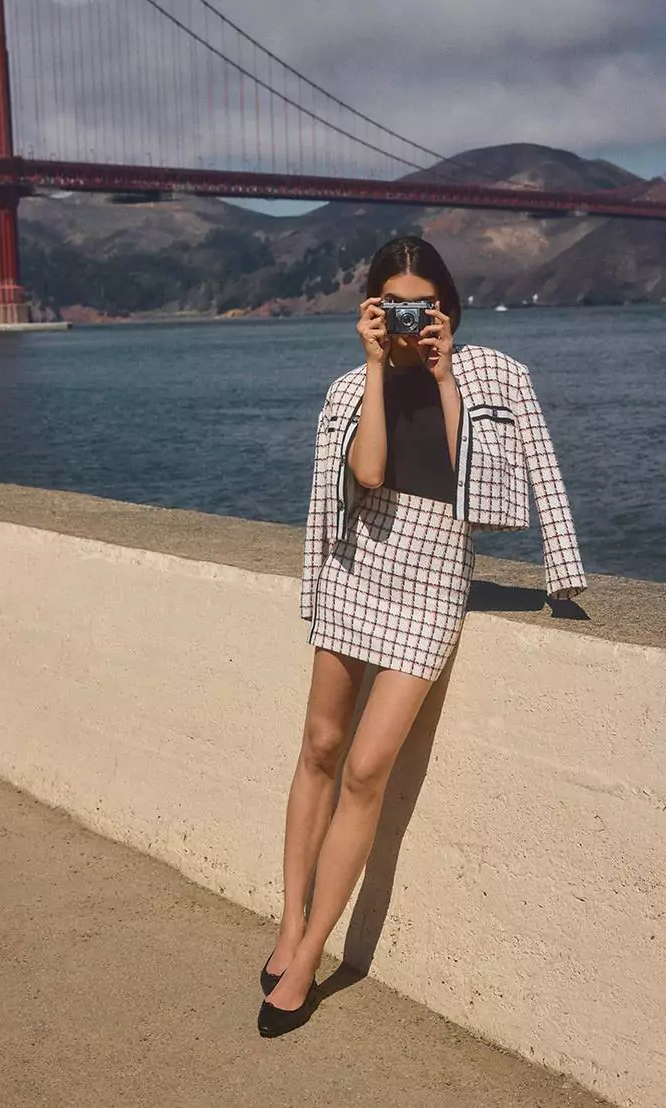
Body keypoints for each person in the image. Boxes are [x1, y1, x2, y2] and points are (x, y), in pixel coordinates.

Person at [257, 236, 587, 1038]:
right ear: (372, 308)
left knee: (367, 769)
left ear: (448, 307)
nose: (411, 321)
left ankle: (307, 958)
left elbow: (492, 488)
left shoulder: (491, 375)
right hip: (353, 567)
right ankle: (288, 926)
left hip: (435, 576)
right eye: (395, 306)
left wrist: (441, 376)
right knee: (320, 747)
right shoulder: (347, 388)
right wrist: (376, 366)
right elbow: (367, 474)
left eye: (425, 306)